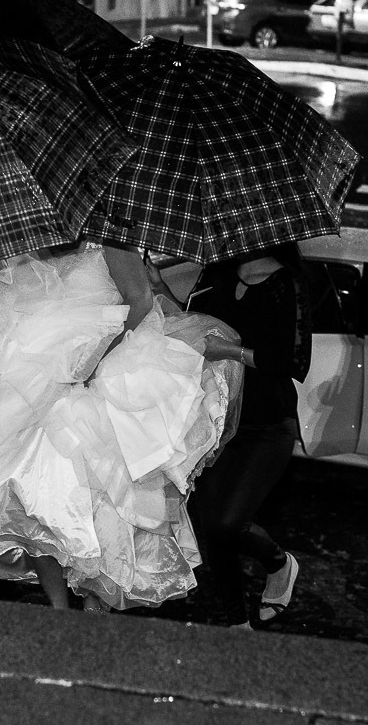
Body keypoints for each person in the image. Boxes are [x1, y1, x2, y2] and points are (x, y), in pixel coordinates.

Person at [0, 241, 242, 610]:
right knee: (27, 494)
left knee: (100, 499)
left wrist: (92, 361)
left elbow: (140, 301)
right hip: (35, 376)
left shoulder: (111, 239)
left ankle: (94, 602)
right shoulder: (30, 241)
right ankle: (58, 607)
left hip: (104, 370)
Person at [148, 243, 310, 629]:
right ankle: (236, 626)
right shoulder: (217, 273)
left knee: (227, 524)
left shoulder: (287, 284)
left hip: (268, 424)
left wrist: (232, 352)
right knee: (213, 529)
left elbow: (293, 361)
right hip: (216, 419)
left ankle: (279, 563)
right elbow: (194, 323)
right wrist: (157, 286)